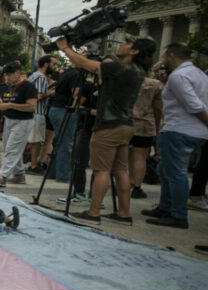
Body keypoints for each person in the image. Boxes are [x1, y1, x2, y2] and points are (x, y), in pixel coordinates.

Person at [54, 34, 155, 225]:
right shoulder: (138, 71)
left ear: (135, 51)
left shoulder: (119, 68)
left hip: (108, 126)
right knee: (121, 171)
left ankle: (93, 213)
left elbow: (82, 63)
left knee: (101, 170)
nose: (122, 45)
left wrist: (65, 48)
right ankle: (124, 214)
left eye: (127, 43)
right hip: (126, 125)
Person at [142, 43, 208, 229]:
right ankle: (165, 207)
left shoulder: (179, 76)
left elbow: (194, 105)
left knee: (176, 172)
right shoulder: (199, 74)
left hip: (180, 130)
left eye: (164, 58)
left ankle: (178, 214)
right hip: (191, 131)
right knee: (165, 169)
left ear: (171, 56)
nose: (163, 62)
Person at [0, 62, 38, 187]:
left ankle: (2, 175)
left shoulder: (28, 87)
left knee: (12, 148)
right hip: (9, 119)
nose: (7, 78)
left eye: (10, 75)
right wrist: (1, 103)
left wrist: (9, 105)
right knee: (10, 146)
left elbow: (31, 106)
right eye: (6, 75)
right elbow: (7, 100)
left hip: (23, 121)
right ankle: (19, 174)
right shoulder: (7, 87)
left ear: (18, 73)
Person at [128, 64, 164, 199]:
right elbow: (158, 108)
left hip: (127, 121)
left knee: (125, 156)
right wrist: (156, 125)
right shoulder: (155, 85)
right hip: (145, 124)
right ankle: (137, 187)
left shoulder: (127, 82)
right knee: (140, 157)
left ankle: (125, 182)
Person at [26, 55, 58, 173]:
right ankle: (34, 165)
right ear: (46, 64)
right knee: (36, 141)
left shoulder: (33, 76)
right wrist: (50, 93)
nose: (55, 67)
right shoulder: (41, 78)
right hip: (37, 112)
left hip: (32, 113)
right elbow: (38, 96)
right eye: (53, 64)